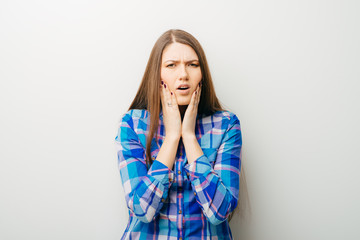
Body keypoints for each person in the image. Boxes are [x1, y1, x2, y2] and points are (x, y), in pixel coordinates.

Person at [114, 29, 243, 240]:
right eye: (171, 65)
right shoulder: (133, 125)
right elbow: (142, 210)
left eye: (193, 65)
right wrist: (173, 137)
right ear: (157, 74)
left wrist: (189, 136)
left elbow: (220, 212)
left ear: (203, 74)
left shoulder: (226, 125)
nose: (183, 74)